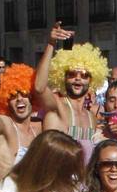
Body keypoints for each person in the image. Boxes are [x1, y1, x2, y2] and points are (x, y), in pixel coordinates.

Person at [35, 23, 106, 158]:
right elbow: (39, 88)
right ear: (63, 77)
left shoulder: (91, 117)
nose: (78, 79)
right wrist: (51, 44)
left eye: (84, 75)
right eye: (72, 74)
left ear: (91, 80)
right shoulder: (58, 106)